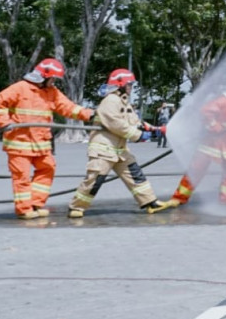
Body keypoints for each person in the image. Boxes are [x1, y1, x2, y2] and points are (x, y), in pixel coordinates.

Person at [0, 58, 95, 220]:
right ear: (44, 76)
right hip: (19, 144)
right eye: (53, 78)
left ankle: (35, 204)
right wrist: (5, 122)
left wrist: (90, 114)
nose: (54, 82)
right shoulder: (20, 88)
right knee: (22, 177)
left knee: (48, 168)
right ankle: (24, 210)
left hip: (41, 145)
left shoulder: (51, 92)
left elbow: (68, 107)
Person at [68, 69, 171, 218]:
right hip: (104, 149)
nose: (131, 87)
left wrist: (150, 128)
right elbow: (116, 124)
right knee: (94, 181)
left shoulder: (123, 101)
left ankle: (150, 203)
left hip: (119, 149)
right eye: (129, 84)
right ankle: (76, 208)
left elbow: (133, 121)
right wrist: (139, 135)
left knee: (136, 175)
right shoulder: (110, 101)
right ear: (120, 84)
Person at [167, 77, 226, 206]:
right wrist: (215, 126)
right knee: (196, 170)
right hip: (211, 144)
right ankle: (179, 198)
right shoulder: (222, 102)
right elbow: (205, 112)